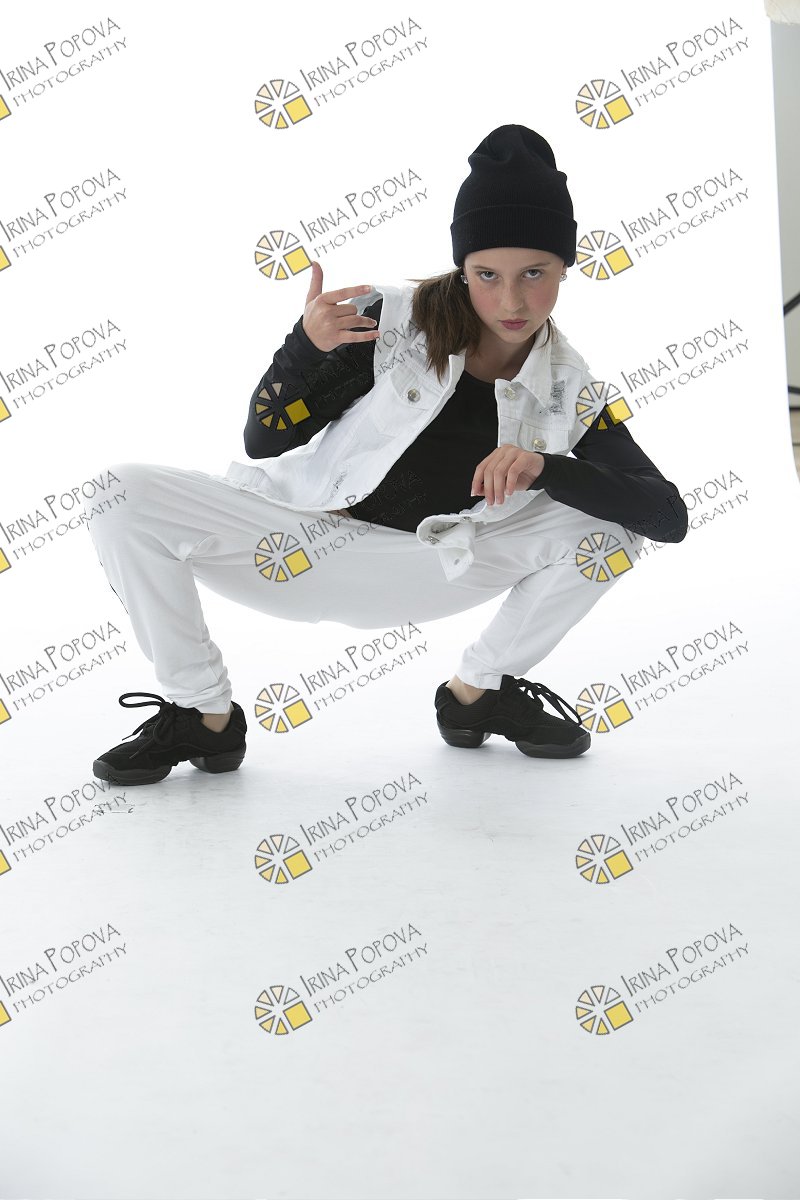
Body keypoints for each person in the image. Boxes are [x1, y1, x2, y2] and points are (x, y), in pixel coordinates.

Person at [83, 124, 688, 786]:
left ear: (566, 268)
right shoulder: (390, 322)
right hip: (302, 544)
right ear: (463, 267)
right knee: (120, 492)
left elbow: (666, 516)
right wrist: (303, 348)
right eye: (487, 275)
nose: (511, 300)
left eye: (534, 274)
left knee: (611, 529)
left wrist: (546, 466)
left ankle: (479, 693)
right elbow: (265, 439)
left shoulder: (570, 386)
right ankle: (203, 714)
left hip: (435, 567)